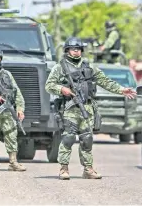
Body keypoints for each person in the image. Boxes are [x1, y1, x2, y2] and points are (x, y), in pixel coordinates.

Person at [45, 37, 136, 180]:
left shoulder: (89, 66)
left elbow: (105, 81)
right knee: (68, 138)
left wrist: (122, 90)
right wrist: (62, 89)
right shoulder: (60, 67)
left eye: (79, 49)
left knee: (87, 139)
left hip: (87, 108)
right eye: (73, 49)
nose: (76, 51)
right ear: (67, 50)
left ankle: (88, 169)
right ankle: (63, 169)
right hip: (70, 108)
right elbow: (49, 85)